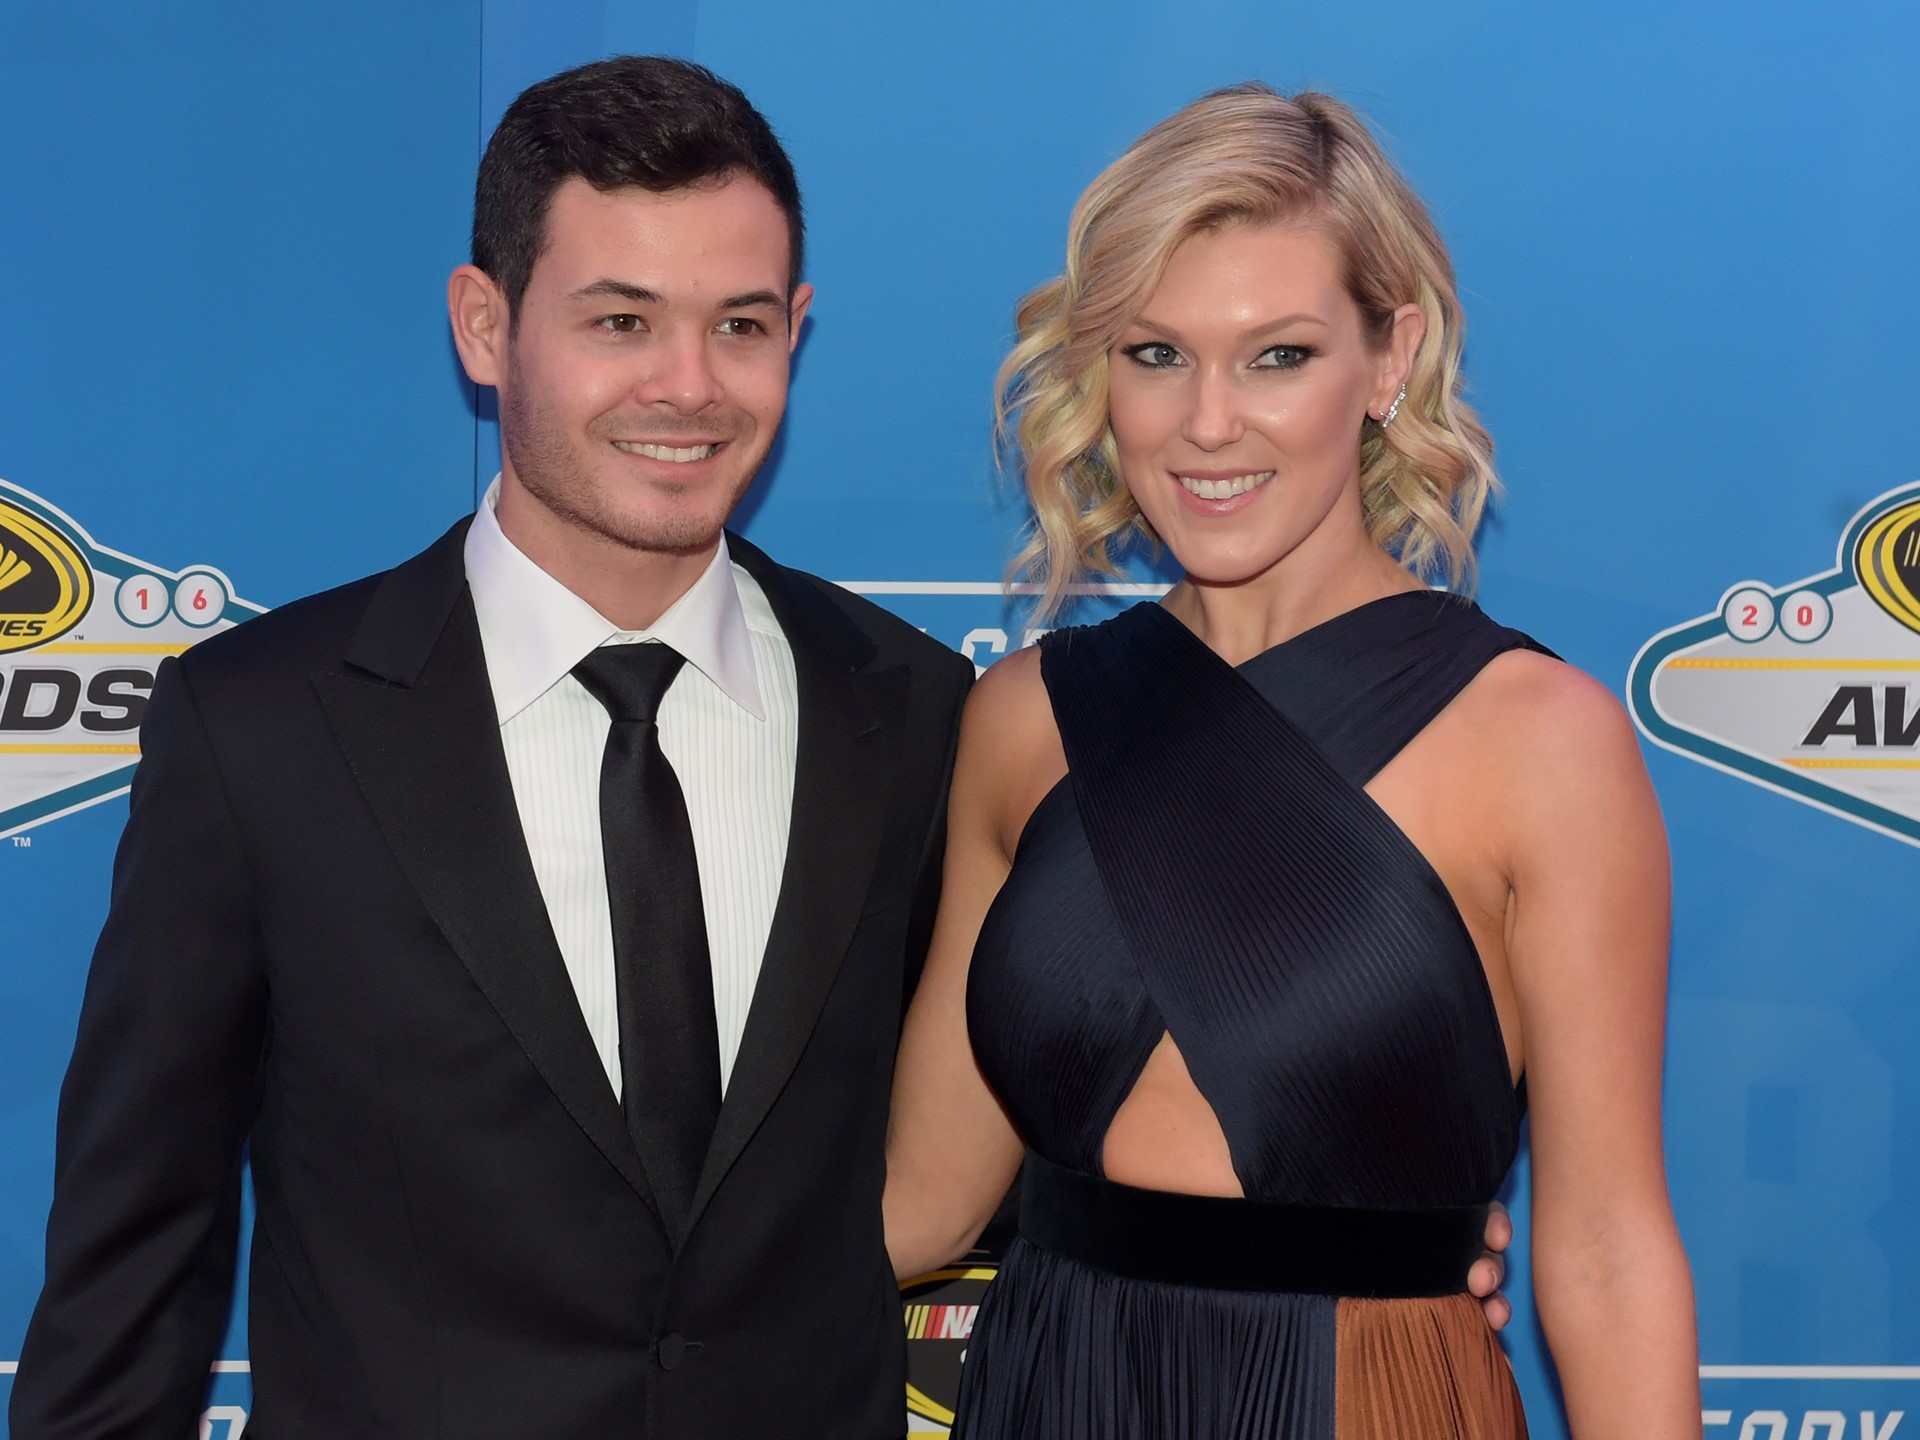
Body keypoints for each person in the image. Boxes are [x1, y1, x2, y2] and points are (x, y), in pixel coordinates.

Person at [9, 57, 976, 1440]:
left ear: (798, 331)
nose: (689, 386)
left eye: (741, 324)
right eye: (622, 320)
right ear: (485, 324)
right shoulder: (263, 729)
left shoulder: (920, 714)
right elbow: (133, 1269)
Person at [883, 84, 1699, 1438]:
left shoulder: (1540, 741)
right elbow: (923, 1194)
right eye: (1156, 354)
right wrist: (592, 1308)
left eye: (1278, 356)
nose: (1209, 425)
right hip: (1053, 1387)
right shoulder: (1025, 720)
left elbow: (1608, 1251)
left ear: (1389, 361)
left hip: (1369, 1402)